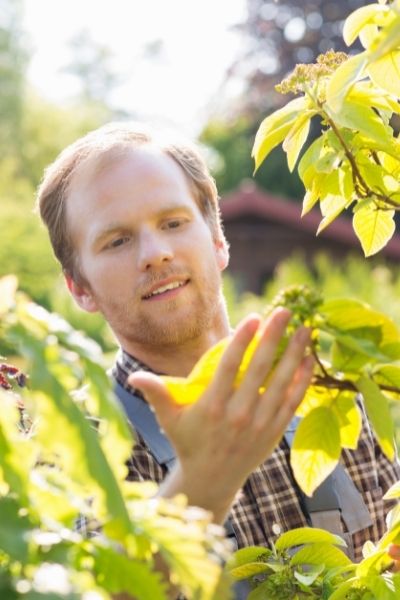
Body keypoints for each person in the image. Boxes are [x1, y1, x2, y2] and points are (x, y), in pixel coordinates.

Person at [36, 122, 400, 568]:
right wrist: (201, 485)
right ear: (79, 289)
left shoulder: (326, 384)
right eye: (117, 240)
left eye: (172, 222)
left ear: (216, 239)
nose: (155, 252)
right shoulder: (76, 441)